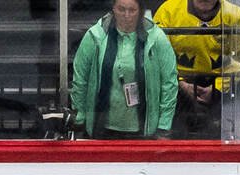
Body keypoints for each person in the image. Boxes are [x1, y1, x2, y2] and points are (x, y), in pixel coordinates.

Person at [70, 0, 179, 138]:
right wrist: (80, 117)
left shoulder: (157, 39)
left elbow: (169, 84)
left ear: (140, 11)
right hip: (101, 127)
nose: (126, 15)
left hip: (144, 130)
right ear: (113, 9)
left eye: (132, 10)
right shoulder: (95, 36)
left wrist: (164, 126)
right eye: (121, 9)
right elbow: (80, 79)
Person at [153, 0, 240, 134]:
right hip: (175, 86)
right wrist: (180, 84)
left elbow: (238, 60)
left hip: (220, 87)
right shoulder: (168, 11)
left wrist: (217, 88)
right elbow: (158, 58)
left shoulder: (235, 15)